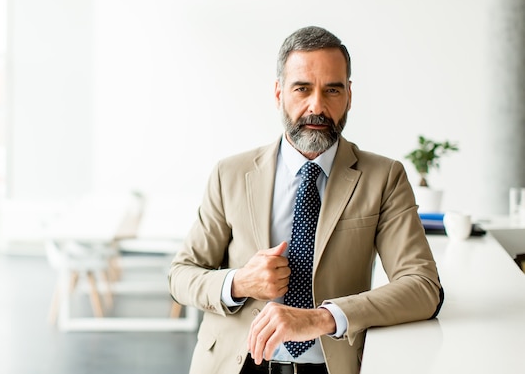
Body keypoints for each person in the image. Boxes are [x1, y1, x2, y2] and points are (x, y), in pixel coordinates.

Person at [168, 26, 443, 374]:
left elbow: (422, 287)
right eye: (302, 89)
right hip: (234, 365)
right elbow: (180, 275)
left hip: (332, 365)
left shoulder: (384, 178)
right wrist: (238, 282)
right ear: (279, 92)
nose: (317, 105)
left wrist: (322, 318)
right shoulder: (230, 174)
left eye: (332, 90)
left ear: (349, 96)